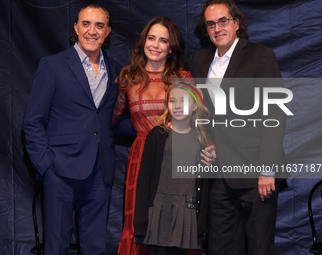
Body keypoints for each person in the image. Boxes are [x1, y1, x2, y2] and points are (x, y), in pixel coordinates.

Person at [189, 0, 289, 254]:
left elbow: (274, 114)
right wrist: (203, 144)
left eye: (223, 21)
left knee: (258, 248)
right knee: (220, 249)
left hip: (257, 174)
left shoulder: (260, 55)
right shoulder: (199, 60)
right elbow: (197, 113)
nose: (217, 28)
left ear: (237, 23)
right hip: (218, 176)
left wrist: (268, 169)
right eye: (210, 24)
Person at [113, 16, 216, 255]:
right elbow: (112, 119)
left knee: (179, 226)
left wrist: (209, 149)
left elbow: (200, 120)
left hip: (178, 157)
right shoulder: (128, 78)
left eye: (163, 40)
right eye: (151, 38)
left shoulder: (183, 77)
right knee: (141, 225)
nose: (156, 45)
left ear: (171, 47)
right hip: (141, 161)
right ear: (143, 41)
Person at [23, 4, 121, 255]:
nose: (92, 30)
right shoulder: (53, 65)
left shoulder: (116, 69)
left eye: (99, 25)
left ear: (108, 31)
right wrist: (46, 165)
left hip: (100, 171)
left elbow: (112, 118)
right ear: (76, 28)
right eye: (86, 24)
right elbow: (33, 120)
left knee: (95, 246)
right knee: (56, 246)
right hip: (61, 170)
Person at [133, 81, 214, 255]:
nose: (177, 106)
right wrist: (140, 221)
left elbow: (204, 184)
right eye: (172, 101)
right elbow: (144, 180)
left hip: (186, 211)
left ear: (194, 106)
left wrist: (201, 221)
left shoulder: (201, 140)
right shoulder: (157, 135)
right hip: (159, 210)